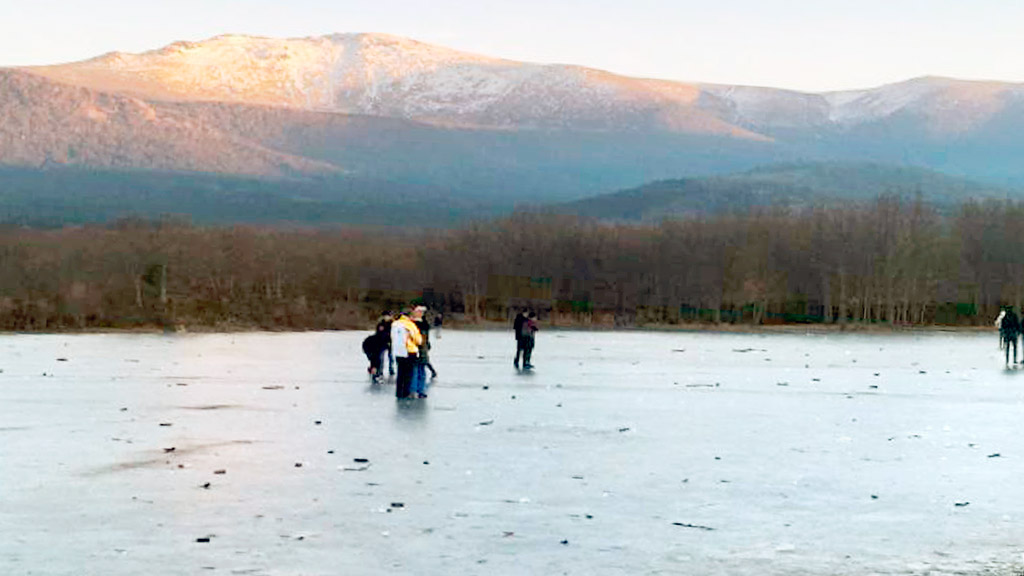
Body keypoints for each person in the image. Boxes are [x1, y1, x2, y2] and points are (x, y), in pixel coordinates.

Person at [390, 308, 423, 399]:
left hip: (398, 351)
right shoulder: (410, 325)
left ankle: (398, 392)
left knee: (400, 373)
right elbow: (418, 340)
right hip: (409, 351)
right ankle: (405, 392)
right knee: (408, 374)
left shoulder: (395, 324)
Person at [412, 306, 436, 397]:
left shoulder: (424, 323)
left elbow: (426, 337)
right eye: (419, 312)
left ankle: (421, 390)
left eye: (422, 312)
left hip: (423, 349)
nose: (421, 314)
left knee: (421, 370)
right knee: (415, 370)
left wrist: (427, 345)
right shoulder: (412, 324)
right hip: (415, 350)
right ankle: (414, 390)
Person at [377, 312, 396, 377]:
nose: (387, 318)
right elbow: (378, 333)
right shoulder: (380, 324)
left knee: (391, 357)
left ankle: (391, 369)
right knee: (381, 358)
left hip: (390, 342)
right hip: (382, 342)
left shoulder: (393, 324)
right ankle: (380, 370)